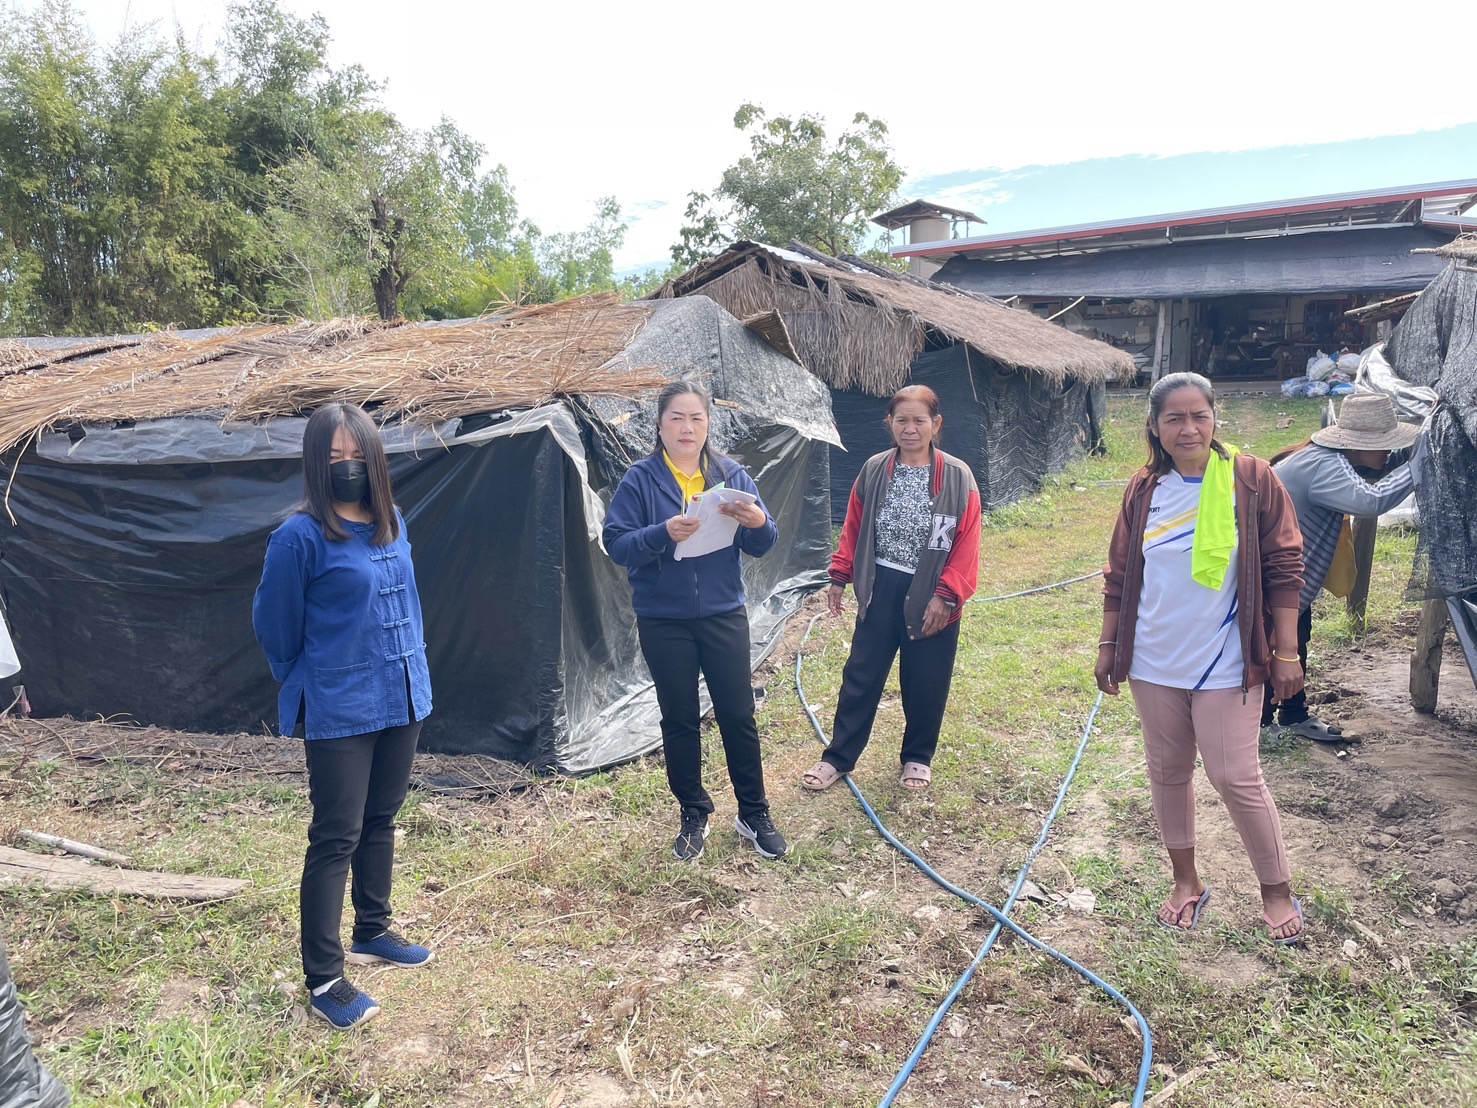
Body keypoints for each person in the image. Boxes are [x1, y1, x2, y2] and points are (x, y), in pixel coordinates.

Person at [1095, 372, 1308, 944]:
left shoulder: (1251, 480)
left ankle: (1275, 890)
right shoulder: (1144, 489)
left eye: (1199, 416)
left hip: (1227, 658)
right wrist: (1109, 645)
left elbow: (1285, 567)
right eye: (1174, 418)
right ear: (1155, 427)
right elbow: (1119, 574)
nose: (1188, 428)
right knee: (1167, 772)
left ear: (1215, 419)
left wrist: (1286, 649)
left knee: (1235, 775)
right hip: (1154, 658)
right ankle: (1186, 882)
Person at [253, 402, 435, 1029]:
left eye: (358, 455)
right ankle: (325, 976)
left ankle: (374, 928)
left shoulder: (393, 522)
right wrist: (305, 679)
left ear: (375, 459)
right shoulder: (299, 537)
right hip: (341, 705)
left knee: (381, 817)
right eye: (334, 459)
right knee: (337, 835)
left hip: (403, 692)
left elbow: (407, 602)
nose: (349, 467)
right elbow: (274, 625)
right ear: (315, 465)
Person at [603, 381, 789, 862]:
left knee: (737, 713)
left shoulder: (731, 475)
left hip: (725, 613)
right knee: (680, 718)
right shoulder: (640, 480)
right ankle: (693, 812)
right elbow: (618, 544)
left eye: (697, 419)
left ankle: (753, 812)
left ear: (709, 425)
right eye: (676, 418)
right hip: (664, 619)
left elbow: (764, 542)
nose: (687, 428)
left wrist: (756, 523)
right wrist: (661, 533)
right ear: (659, 425)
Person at [803, 384, 981, 792]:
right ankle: (838, 758)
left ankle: (918, 757)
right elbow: (853, 527)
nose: (910, 428)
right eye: (901, 420)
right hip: (879, 583)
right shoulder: (875, 469)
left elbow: (968, 543)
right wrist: (840, 575)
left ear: (936, 424)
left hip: (932, 591)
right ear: (889, 423)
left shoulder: (957, 477)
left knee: (926, 680)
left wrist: (947, 595)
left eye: (919, 420)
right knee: (861, 677)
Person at [1263, 393, 1419, 742]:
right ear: (1358, 444)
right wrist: (1418, 466)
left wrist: (1406, 459)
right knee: (1270, 645)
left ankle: (1292, 714)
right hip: (1270, 576)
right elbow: (1370, 501)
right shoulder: (1325, 466)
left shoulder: (1330, 458)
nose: (1386, 453)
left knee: (1296, 639)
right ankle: (1259, 724)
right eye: (1384, 446)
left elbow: (1373, 476)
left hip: (1286, 577)